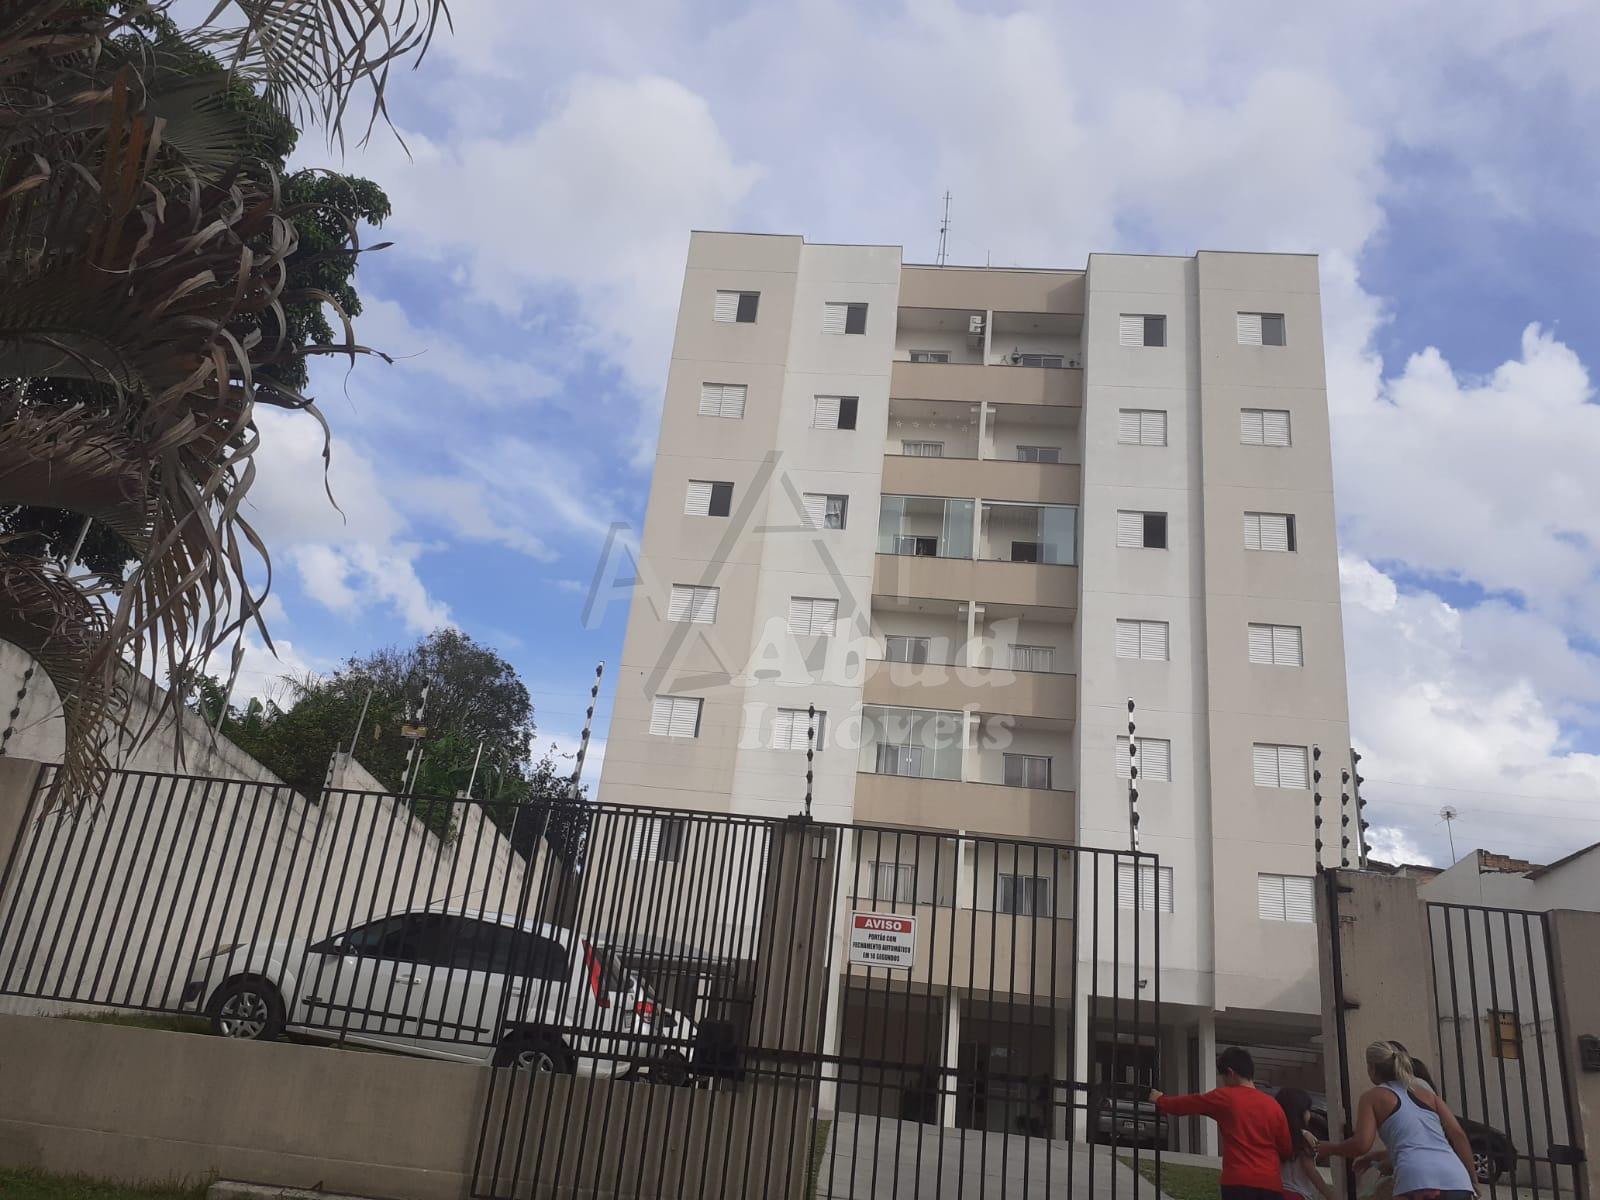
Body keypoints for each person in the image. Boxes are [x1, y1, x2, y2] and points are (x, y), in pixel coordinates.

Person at [1317, 1041, 1477, 1200]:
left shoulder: (1372, 1097)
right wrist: (1473, 1179)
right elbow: (1458, 1135)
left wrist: (1329, 1148)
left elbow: (1361, 1144)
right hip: (1457, 1179)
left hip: (1416, 1180)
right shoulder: (1428, 1095)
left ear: (1372, 1068)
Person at [1150, 1047, 1293, 1200]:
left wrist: (1160, 1099)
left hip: (1238, 1181)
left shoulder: (1225, 1097)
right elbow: (1286, 1149)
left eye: (1223, 1077)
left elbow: (1187, 1104)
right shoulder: (1274, 1106)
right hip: (1271, 1184)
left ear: (1230, 1073)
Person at [1275, 1087, 1335, 1200]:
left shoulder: (1275, 1135)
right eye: (1308, 1110)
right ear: (1301, 1113)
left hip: (1276, 1191)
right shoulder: (1304, 1138)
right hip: (1297, 1193)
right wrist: (1330, 1195)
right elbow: (1310, 1171)